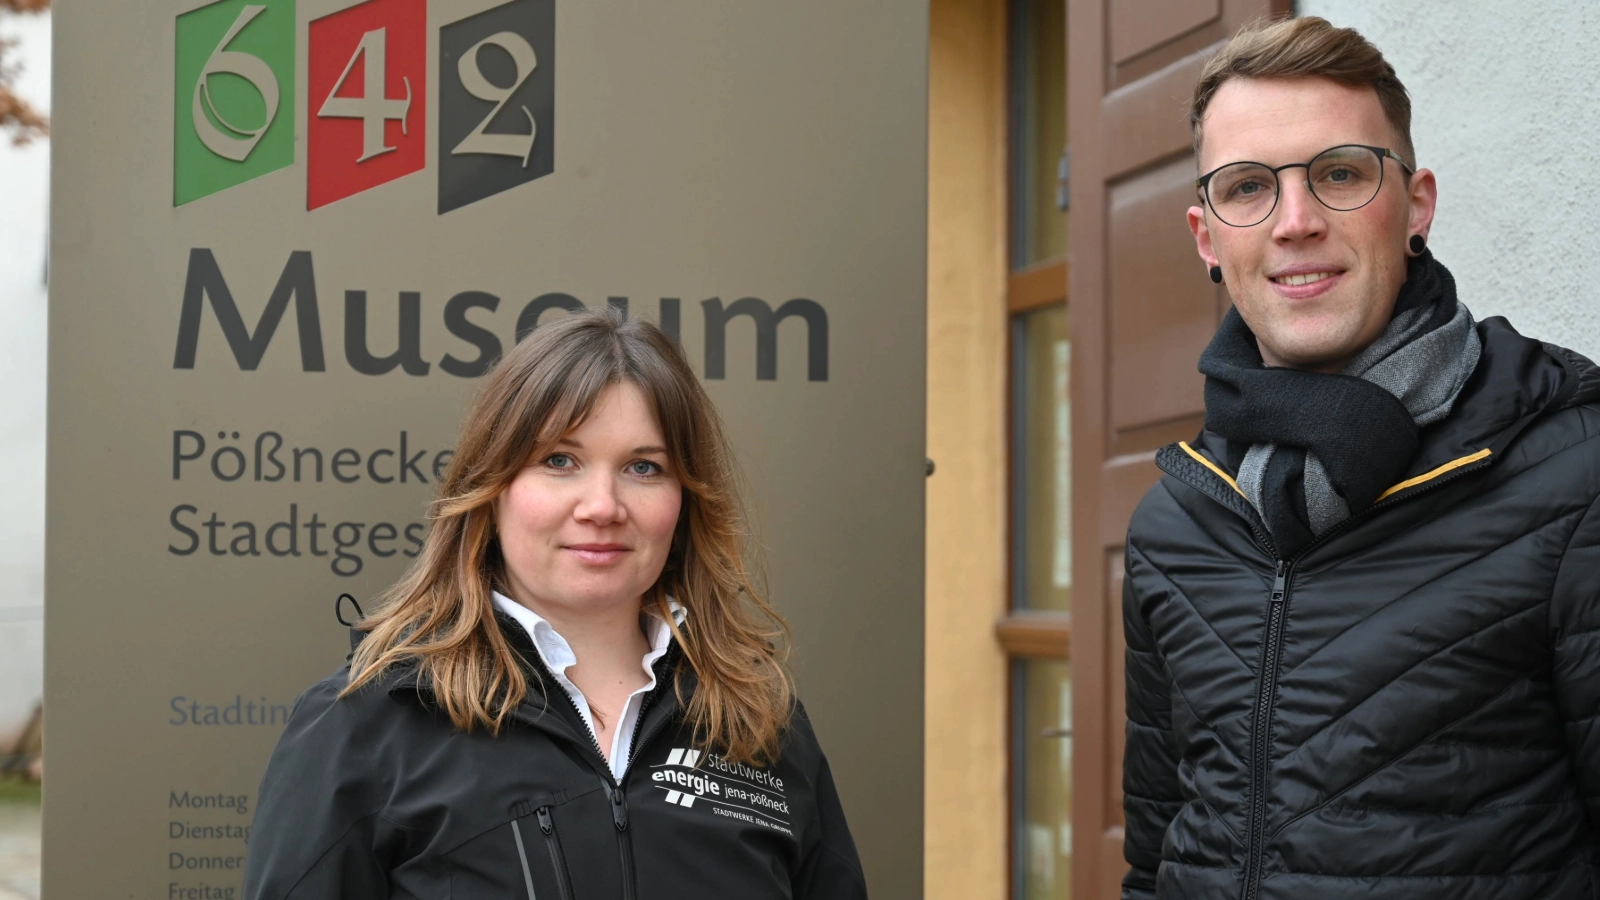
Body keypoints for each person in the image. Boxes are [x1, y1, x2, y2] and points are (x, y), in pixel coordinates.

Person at [1121, 16, 1600, 900]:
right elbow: (1155, 858)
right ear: (1206, 236)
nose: (1295, 222)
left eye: (1339, 174)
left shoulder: (1574, 479)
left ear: (1416, 204)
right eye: (1249, 187)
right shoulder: (1175, 520)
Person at [243, 310, 867, 899]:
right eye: (560, 460)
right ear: (491, 487)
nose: (602, 505)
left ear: (686, 499)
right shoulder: (367, 724)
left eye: (644, 468)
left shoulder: (762, 723)